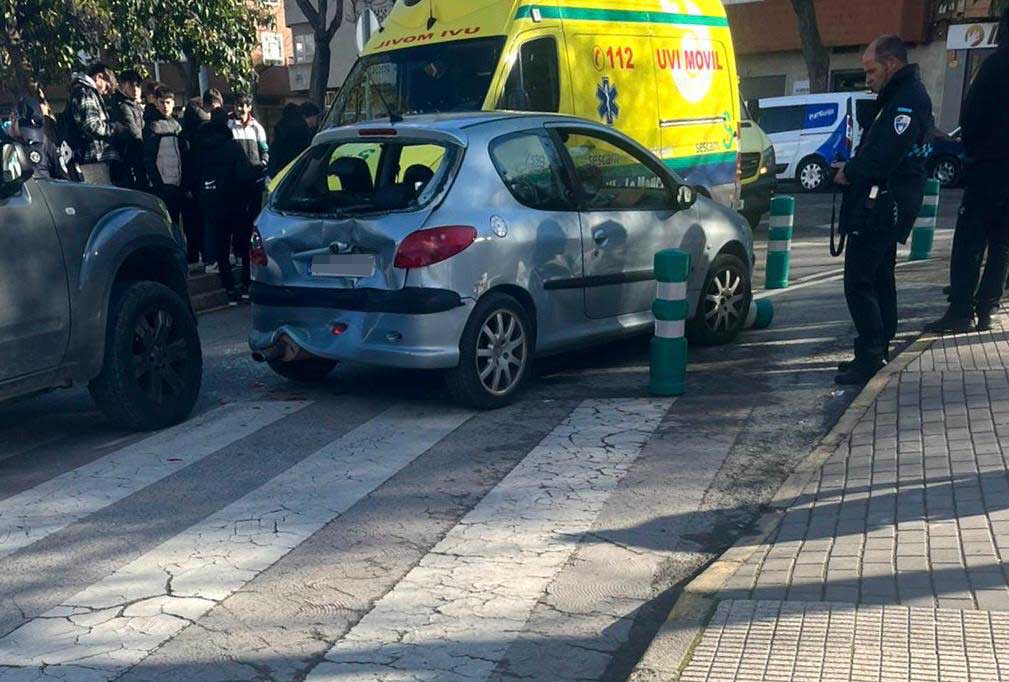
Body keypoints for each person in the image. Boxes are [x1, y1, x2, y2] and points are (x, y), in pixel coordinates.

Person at [832, 35, 934, 386]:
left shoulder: (905, 102)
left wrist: (851, 171)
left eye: (871, 69)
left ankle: (872, 353)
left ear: (891, 64)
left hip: (882, 203)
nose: (867, 77)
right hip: (886, 201)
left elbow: (885, 155)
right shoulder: (898, 97)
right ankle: (874, 351)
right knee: (878, 277)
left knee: (859, 281)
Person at [927, 8, 1009, 334]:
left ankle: (961, 310)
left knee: (970, 239)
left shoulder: (995, 66)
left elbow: (972, 117)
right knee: (1002, 243)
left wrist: (972, 150)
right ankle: (987, 309)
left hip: (989, 166)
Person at [198, 108, 255, 303]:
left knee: (221, 249)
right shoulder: (233, 147)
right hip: (235, 201)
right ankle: (246, 285)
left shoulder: (201, 149)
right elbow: (245, 175)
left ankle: (230, 289)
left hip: (212, 202)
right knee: (245, 244)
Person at [228, 94, 269, 297]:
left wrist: (261, 166)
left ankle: (248, 275)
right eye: (238, 106)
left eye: (244, 106)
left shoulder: (257, 128)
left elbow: (265, 151)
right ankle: (240, 263)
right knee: (239, 228)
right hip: (236, 187)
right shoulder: (229, 126)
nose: (241, 110)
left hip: (253, 185)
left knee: (252, 229)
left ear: (249, 107)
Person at [179, 89, 223, 268]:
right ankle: (209, 259)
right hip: (203, 180)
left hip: (189, 181)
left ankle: (194, 258)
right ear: (212, 106)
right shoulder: (206, 129)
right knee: (207, 221)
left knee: (193, 223)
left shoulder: (186, 127)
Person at [65, 63, 121, 184]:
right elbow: (92, 125)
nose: (105, 92)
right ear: (99, 77)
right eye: (106, 87)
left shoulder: (80, 91)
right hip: (94, 157)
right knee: (102, 197)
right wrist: (115, 129)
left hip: (93, 157)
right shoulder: (85, 92)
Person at [143, 86, 184, 231]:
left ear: (173, 103)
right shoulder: (153, 126)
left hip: (178, 183)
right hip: (163, 185)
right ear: (156, 103)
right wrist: (158, 183)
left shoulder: (177, 126)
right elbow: (148, 158)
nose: (165, 106)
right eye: (162, 102)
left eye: (168, 102)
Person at [2, 96, 70, 180]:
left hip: (46, 190)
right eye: (25, 130)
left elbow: (65, 177)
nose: (28, 138)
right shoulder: (3, 142)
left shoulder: (44, 142)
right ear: (13, 118)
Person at [109, 69, 147, 189]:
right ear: (123, 85)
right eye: (131, 85)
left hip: (137, 156)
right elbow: (134, 133)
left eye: (138, 85)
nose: (135, 89)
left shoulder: (135, 105)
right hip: (130, 157)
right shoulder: (123, 106)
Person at [267, 102, 313, 178]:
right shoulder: (303, 128)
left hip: (281, 167)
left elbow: (275, 149)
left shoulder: (280, 126)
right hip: (299, 167)